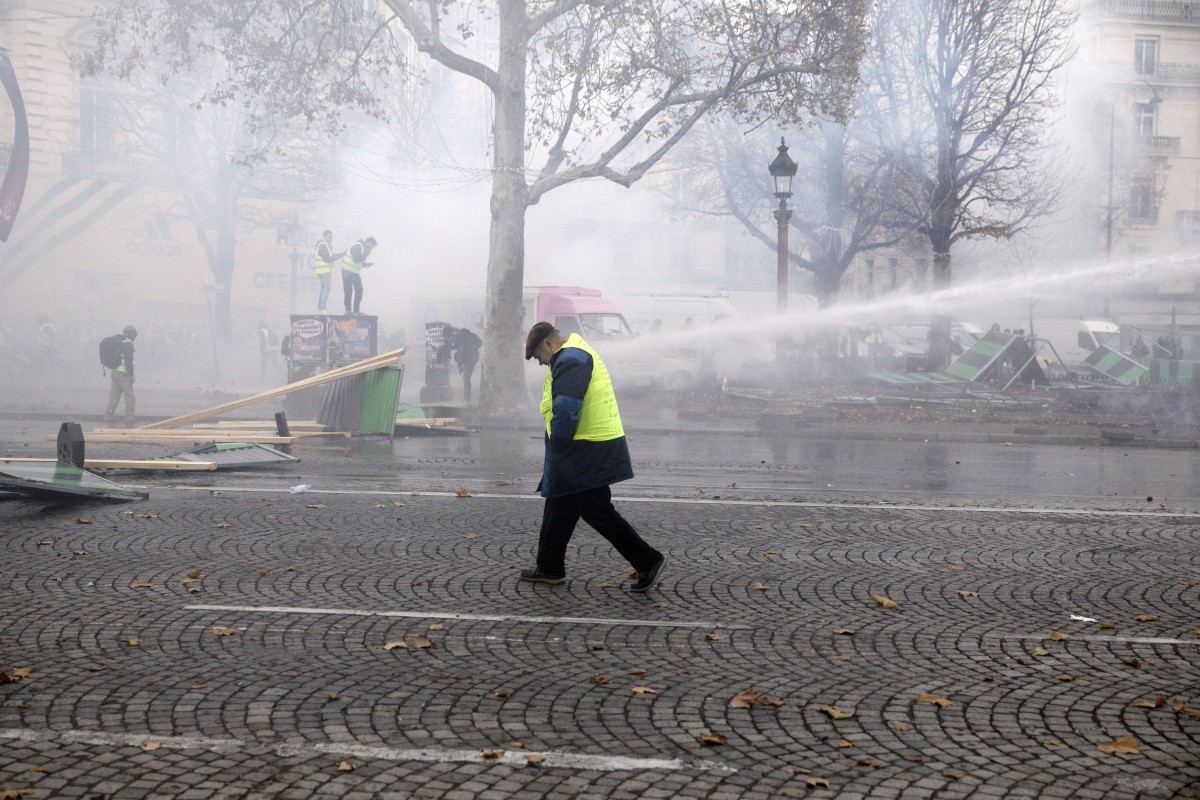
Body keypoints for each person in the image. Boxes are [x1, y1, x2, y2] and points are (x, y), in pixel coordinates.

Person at [520, 321, 667, 593]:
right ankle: (549, 566)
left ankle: (648, 560)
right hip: (586, 444)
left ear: (550, 345)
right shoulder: (575, 352)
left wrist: (560, 442)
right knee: (560, 502)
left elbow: (566, 407)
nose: (540, 364)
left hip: (585, 447)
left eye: (539, 356)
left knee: (595, 509)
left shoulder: (571, 359)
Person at [103, 325, 137, 424]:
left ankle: (108, 415)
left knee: (114, 395)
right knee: (129, 395)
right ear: (132, 335)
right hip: (123, 373)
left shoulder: (119, 341)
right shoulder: (128, 343)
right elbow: (128, 361)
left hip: (114, 372)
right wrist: (131, 374)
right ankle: (129, 417)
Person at [341, 236, 376, 316]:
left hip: (354, 272)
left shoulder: (363, 249)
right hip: (347, 271)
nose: (372, 249)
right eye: (372, 246)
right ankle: (348, 310)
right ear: (368, 243)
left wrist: (366, 264)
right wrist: (364, 256)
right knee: (348, 291)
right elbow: (356, 259)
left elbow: (357, 262)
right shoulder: (358, 245)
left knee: (359, 290)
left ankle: (356, 310)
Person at [452, 325, 483, 403]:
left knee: (466, 378)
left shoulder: (460, 337)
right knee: (466, 377)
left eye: (453, 335)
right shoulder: (469, 334)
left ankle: (467, 399)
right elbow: (480, 343)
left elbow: (461, 351)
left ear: (456, 332)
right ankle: (467, 398)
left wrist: (459, 364)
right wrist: (472, 347)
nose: (452, 337)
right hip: (473, 357)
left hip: (469, 358)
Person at [313, 230, 339, 313]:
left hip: (322, 270)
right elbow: (326, 258)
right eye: (329, 236)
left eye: (332, 236)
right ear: (324, 236)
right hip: (324, 270)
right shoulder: (323, 245)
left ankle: (320, 308)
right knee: (326, 288)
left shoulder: (323, 245)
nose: (331, 238)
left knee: (324, 288)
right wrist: (334, 258)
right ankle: (322, 308)